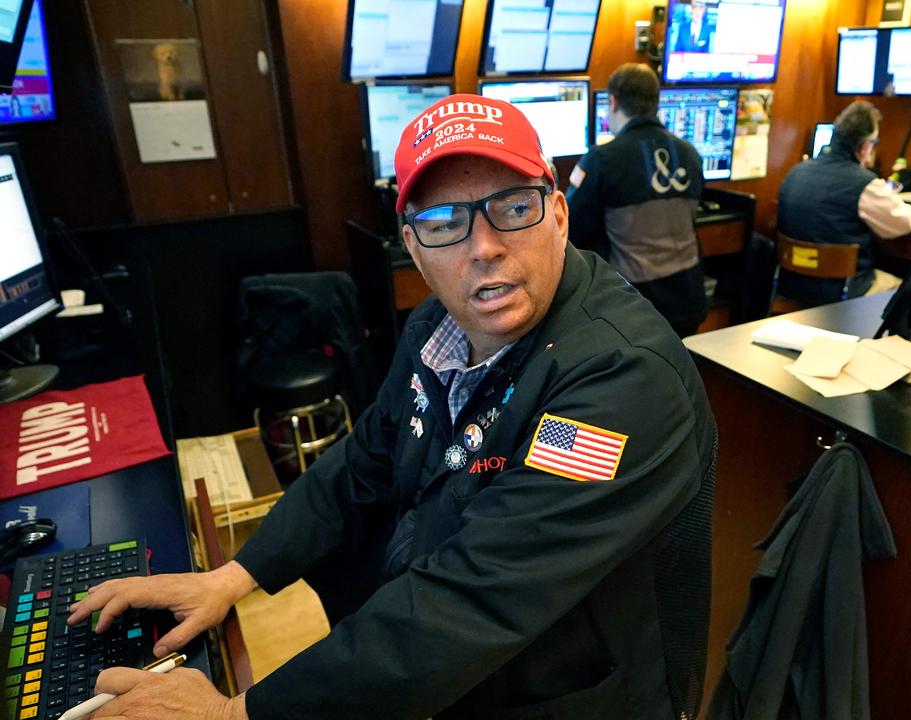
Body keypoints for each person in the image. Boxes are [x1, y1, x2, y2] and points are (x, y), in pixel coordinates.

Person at [66, 94, 718, 720]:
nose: (483, 245)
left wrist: (238, 711)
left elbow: (475, 597)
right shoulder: (440, 328)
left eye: (512, 207)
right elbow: (363, 463)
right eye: (443, 223)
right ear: (413, 246)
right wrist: (233, 576)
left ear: (558, 212)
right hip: (472, 679)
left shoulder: (622, 377)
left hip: (580, 697)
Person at [567, 63, 708, 336]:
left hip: (635, 307)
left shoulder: (602, 159)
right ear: (657, 103)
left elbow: (569, 228)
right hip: (689, 299)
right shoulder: (690, 153)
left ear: (613, 102)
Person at [775, 100, 911, 306]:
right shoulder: (864, 183)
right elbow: (905, 223)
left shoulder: (796, 172)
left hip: (791, 287)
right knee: (905, 288)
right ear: (865, 145)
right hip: (841, 293)